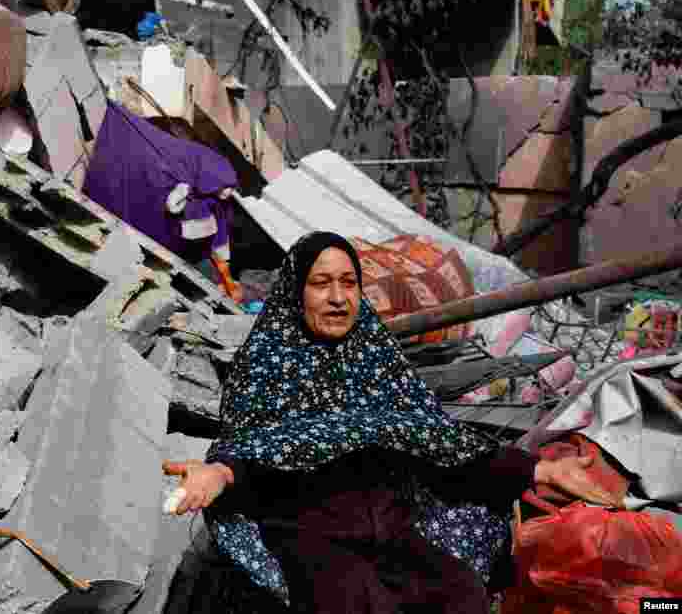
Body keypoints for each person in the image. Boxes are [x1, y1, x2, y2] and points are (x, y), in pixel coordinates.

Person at [164, 232, 619, 614]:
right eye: (321, 283)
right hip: (311, 538)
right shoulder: (267, 361)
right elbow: (248, 449)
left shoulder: (374, 354)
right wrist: (217, 473)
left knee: (462, 597)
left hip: (393, 529)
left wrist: (537, 470)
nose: (339, 297)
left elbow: (437, 443)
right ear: (295, 291)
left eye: (349, 282)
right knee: (359, 602)